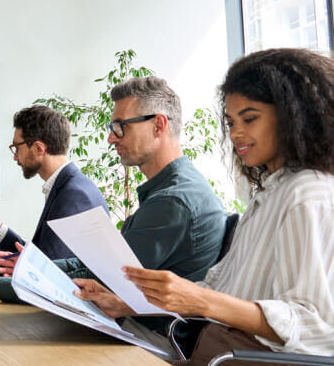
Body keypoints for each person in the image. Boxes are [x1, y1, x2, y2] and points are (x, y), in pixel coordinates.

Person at [76, 48, 334, 362]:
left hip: (233, 357)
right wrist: (127, 304)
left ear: (293, 116)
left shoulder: (307, 195)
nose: (236, 133)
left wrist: (200, 300)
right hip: (212, 350)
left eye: (249, 118)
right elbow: (219, 288)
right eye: (230, 122)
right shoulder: (270, 190)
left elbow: (313, 324)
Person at [0, 77, 227, 337]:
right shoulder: (168, 192)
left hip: (147, 338)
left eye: (119, 127)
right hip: (132, 326)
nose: (111, 138)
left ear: (159, 125)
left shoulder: (173, 200)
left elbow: (105, 279)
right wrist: (20, 270)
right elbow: (97, 267)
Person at [0, 105, 108, 277]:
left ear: (39, 149)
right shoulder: (68, 185)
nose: (14, 157)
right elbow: (41, 257)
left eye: (16, 147)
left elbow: (44, 272)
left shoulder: (74, 195)